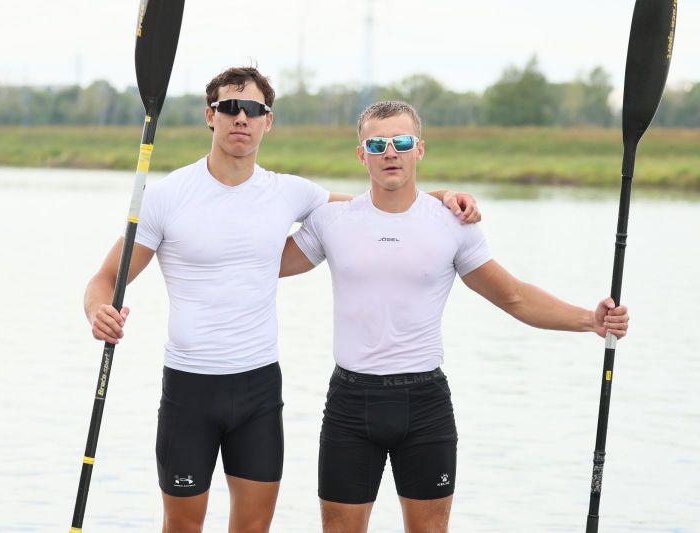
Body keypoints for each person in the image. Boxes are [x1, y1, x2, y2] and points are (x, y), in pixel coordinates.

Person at [84, 68, 480, 533]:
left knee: (254, 528)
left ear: (267, 121)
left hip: (258, 389)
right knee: (182, 526)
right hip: (189, 389)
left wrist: (442, 198)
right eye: (230, 107)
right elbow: (106, 278)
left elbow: (376, 207)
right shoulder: (166, 196)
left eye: (254, 109)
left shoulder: (290, 192)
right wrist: (98, 311)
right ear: (210, 115)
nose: (241, 118)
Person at [278, 100, 630, 533]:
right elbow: (260, 263)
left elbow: (515, 297)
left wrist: (590, 320)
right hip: (351, 403)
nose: (390, 152)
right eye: (377, 144)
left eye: (401, 142)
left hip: (424, 405)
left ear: (420, 149)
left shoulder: (452, 223)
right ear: (361, 154)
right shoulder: (333, 221)